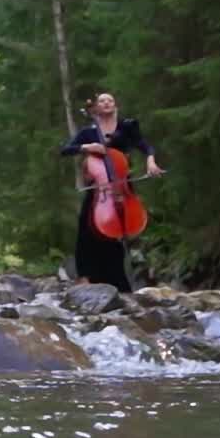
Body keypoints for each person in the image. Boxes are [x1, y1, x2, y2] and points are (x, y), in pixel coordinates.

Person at [60, 92, 164, 292]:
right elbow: (65, 149)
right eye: (102, 101)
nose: (106, 103)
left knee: (121, 235)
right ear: (97, 108)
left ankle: (121, 281)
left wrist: (150, 160)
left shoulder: (127, 126)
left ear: (115, 105)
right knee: (86, 229)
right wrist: (87, 147)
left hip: (122, 185)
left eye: (110, 100)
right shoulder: (89, 131)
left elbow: (144, 145)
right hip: (101, 189)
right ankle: (87, 277)